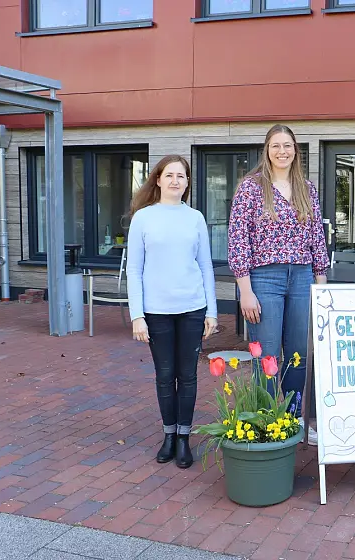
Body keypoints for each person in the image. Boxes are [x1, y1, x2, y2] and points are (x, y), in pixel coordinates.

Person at [228, 124, 329, 444]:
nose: (282, 151)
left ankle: (298, 419)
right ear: (267, 150)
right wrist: (245, 290)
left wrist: (321, 283)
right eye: (276, 146)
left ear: (296, 150)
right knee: (268, 355)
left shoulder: (306, 188)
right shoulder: (251, 187)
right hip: (264, 278)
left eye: (288, 145)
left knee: (300, 353)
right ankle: (268, 422)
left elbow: (316, 238)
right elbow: (238, 239)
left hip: (301, 277)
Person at [127, 155, 218, 469]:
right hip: (156, 311)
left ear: (187, 183)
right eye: (170, 175)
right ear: (158, 180)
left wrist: (212, 312)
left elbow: (206, 266)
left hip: (192, 308)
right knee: (165, 376)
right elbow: (135, 270)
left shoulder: (195, 218)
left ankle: (184, 437)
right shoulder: (143, 218)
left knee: (188, 376)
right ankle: (168, 434)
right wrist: (137, 315)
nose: (176, 181)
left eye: (182, 176)